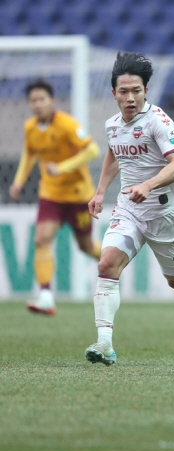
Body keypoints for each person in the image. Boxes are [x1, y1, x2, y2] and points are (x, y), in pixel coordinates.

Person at [84, 52, 174, 366]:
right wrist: (100, 192)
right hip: (128, 210)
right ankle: (104, 343)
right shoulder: (113, 124)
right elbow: (114, 155)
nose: (130, 98)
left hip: (164, 213)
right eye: (124, 92)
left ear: (146, 92)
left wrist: (148, 185)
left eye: (137, 91)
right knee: (107, 265)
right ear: (113, 93)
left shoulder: (158, 121)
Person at [10, 80, 102, 316]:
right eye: (33, 100)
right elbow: (29, 155)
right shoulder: (30, 128)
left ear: (51, 101)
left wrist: (61, 168)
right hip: (50, 194)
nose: (38, 104)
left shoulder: (68, 125)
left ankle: (117, 260)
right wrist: (19, 181)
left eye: (42, 99)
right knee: (41, 239)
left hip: (78, 195)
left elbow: (93, 150)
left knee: (87, 246)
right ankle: (46, 296)